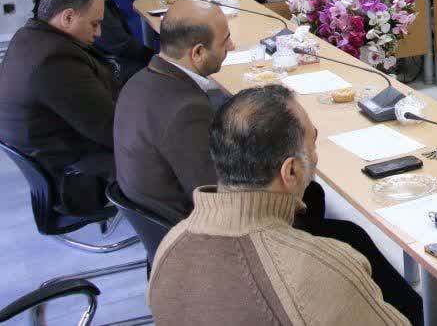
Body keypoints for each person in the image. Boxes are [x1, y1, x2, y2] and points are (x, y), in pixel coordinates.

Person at [147, 85, 417, 326]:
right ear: (291, 171)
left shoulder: (169, 248)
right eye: (313, 143)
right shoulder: (323, 268)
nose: (315, 156)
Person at [0, 0, 118, 213]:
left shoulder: (28, 35)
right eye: (94, 24)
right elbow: (110, 130)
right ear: (67, 17)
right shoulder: (55, 62)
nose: (98, 33)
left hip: (54, 157)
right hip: (75, 178)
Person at [113, 0, 233, 224]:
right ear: (198, 52)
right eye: (225, 40)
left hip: (154, 212)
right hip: (186, 227)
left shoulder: (138, 80)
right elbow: (217, 198)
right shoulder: (188, 111)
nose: (232, 46)